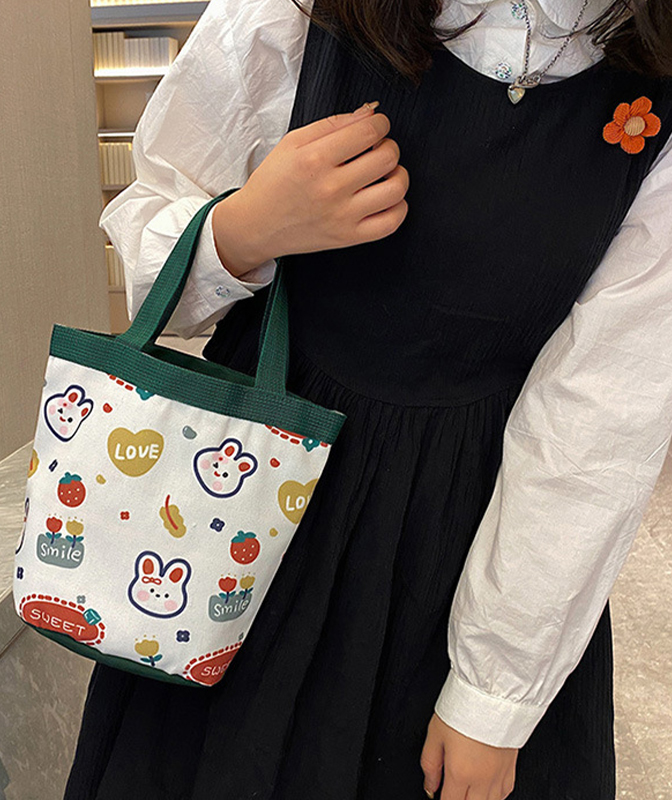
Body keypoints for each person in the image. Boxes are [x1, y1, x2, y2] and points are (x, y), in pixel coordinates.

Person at [63, 0, 672, 796]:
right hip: (249, 510)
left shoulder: (652, 85)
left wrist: (492, 695)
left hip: (479, 549)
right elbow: (150, 248)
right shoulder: (297, 13)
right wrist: (245, 229)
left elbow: (600, 421)